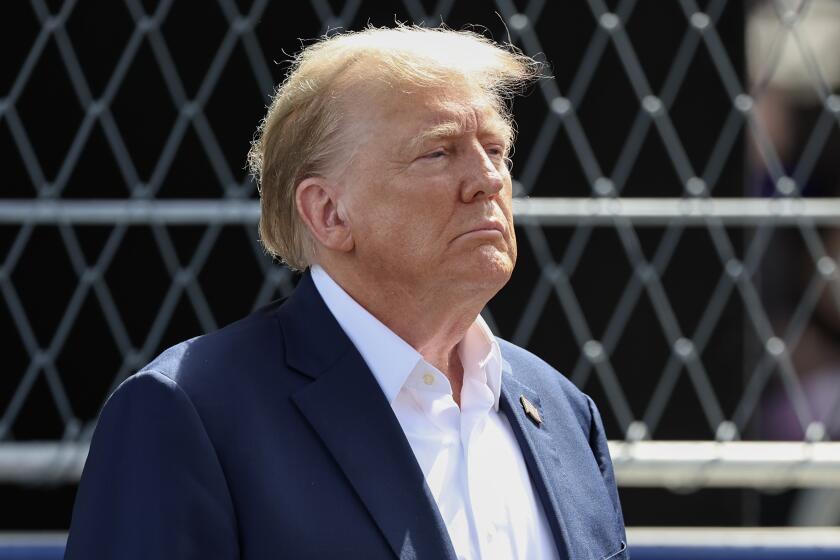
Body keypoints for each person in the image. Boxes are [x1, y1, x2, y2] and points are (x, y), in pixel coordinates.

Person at [65, 25, 627, 559]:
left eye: (496, 150)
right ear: (328, 212)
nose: (487, 179)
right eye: (438, 152)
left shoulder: (560, 410)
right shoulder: (192, 412)